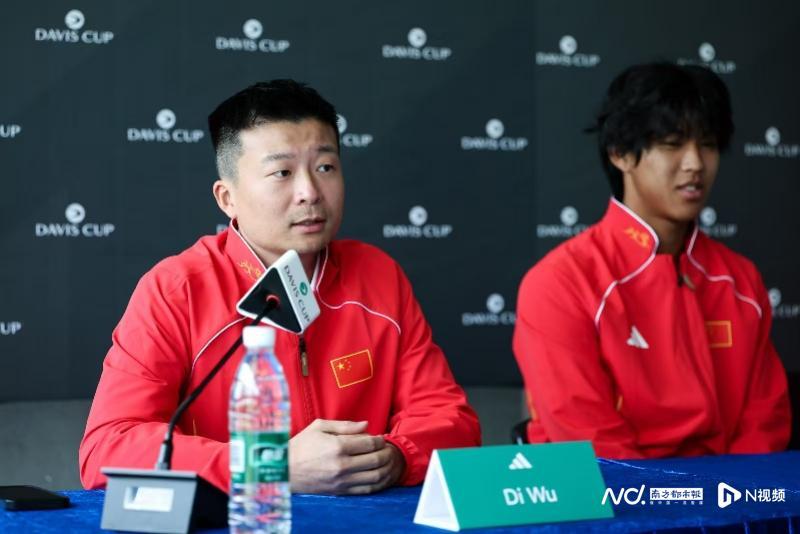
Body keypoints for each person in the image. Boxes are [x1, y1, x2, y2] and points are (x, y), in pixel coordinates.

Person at [79, 80, 480, 494]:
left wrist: (398, 457)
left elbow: (451, 420)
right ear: (227, 198)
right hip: (240, 517)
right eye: (282, 173)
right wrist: (269, 465)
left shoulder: (378, 275)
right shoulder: (176, 290)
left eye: (325, 167)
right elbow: (107, 448)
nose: (310, 193)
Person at [513, 62, 791, 458]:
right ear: (620, 153)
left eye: (708, 144)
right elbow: (594, 447)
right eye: (673, 144)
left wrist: (733, 492)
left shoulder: (741, 280)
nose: (695, 163)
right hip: (620, 495)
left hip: (734, 494)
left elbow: (764, 428)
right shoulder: (561, 283)